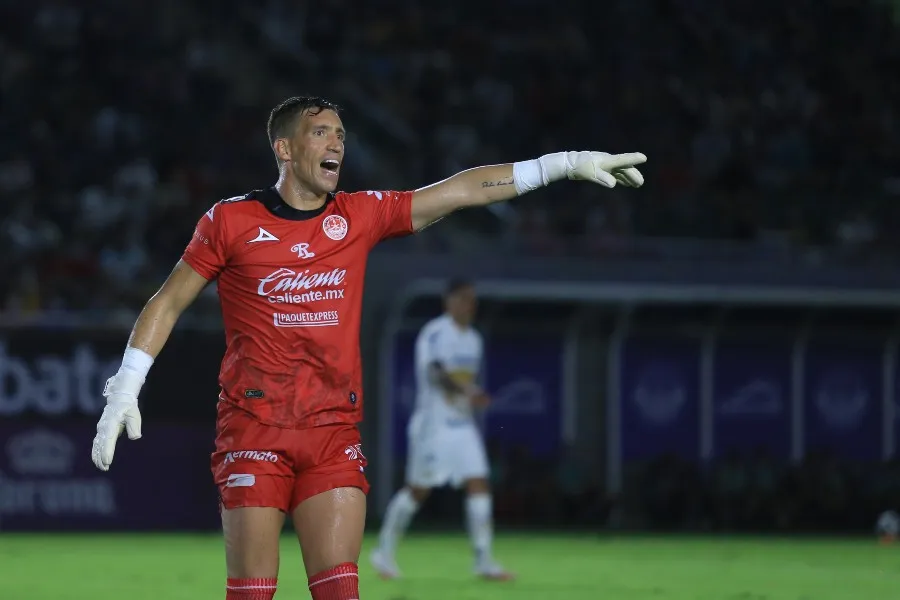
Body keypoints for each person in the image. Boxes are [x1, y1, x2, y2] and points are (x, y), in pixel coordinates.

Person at [90, 95, 646, 600]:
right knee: (253, 594)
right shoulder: (230, 221)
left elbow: (461, 190)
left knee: (340, 593)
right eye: (321, 132)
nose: (337, 142)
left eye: (341, 133)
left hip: (332, 431)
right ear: (283, 148)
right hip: (254, 426)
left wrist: (565, 163)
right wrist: (125, 388)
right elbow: (167, 300)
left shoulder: (359, 215)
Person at [370, 277, 512, 580]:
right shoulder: (436, 332)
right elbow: (436, 372)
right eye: (462, 298)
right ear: (449, 301)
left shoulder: (474, 339)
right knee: (418, 490)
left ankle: (483, 560)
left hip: (461, 425)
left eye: (472, 300)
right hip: (433, 426)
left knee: (479, 483)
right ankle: (383, 552)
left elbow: (463, 379)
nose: (468, 305)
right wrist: (468, 392)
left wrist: (470, 394)